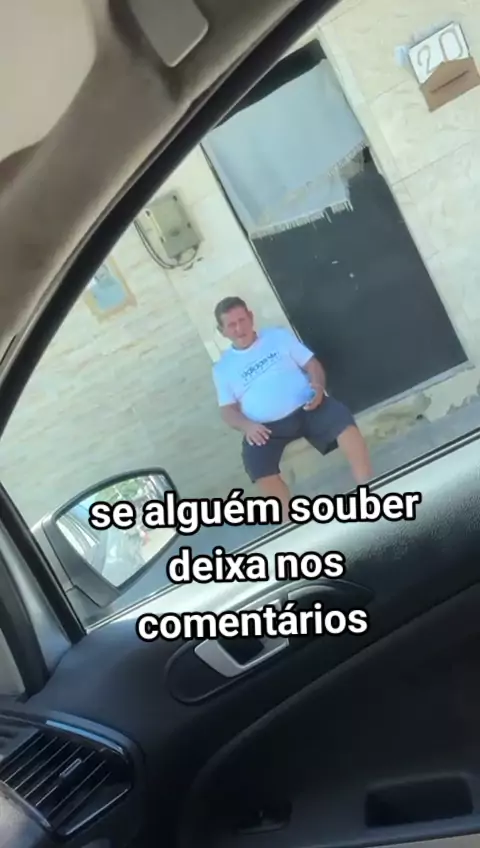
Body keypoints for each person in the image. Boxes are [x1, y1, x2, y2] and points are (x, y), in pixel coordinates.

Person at [212, 296, 372, 521]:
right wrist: (247, 426)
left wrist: (318, 387)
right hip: (265, 428)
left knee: (343, 422)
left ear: (251, 317)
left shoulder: (277, 337)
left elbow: (312, 365)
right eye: (231, 325)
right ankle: (292, 522)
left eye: (242, 320)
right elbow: (227, 411)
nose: (239, 329)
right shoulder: (222, 369)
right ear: (222, 331)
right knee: (257, 466)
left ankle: (368, 489)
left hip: (308, 407)